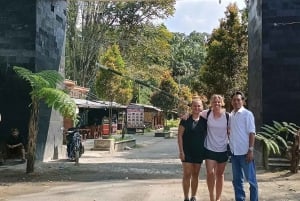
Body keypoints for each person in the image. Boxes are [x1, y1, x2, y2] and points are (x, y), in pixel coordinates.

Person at [229, 91, 258, 201]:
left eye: (238, 100)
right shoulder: (231, 115)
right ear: (231, 102)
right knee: (237, 181)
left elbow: (252, 132)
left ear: (243, 101)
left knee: (251, 180)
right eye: (234, 100)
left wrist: (250, 150)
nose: (236, 102)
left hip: (245, 153)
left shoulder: (247, 114)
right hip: (234, 154)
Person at [177, 96, 207, 201]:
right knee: (187, 174)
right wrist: (181, 151)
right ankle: (186, 197)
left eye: (199, 106)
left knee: (195, 174)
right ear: (191, 107)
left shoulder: (204, 121)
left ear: (202, 107)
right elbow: (179, 135)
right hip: (186, 152)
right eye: (194, 106)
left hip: (199, 152)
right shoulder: (185, 120)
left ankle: (193, 196)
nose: (196, 108)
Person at [201, 94, 229, 201]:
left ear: (222, 103)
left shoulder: (228, 116)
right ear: (211, 103)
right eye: (214, 102)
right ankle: (212, 197)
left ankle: (218, 198)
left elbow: (231, 130)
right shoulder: (206, 113)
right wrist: (186, 116)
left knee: (220, 174)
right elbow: (195, 114)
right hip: (209, 148)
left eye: (218, 102)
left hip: (223, 149)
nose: (216, 103)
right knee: (209, 173)